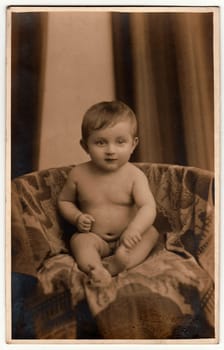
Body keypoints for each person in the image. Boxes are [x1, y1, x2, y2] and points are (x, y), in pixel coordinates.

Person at [58, 100, 159, 288]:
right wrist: (77, 217)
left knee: (151, 233)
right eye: (100, 142)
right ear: (85, 146)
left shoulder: (134, 176)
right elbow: (64, 201)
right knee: (79, 241)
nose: (111, 150)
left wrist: (134, 230)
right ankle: (96, 268)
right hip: (96, 238)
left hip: (128, 238)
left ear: (133, 144)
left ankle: (120, 264)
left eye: (120, 142)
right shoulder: (79, 174)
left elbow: (148, 207)